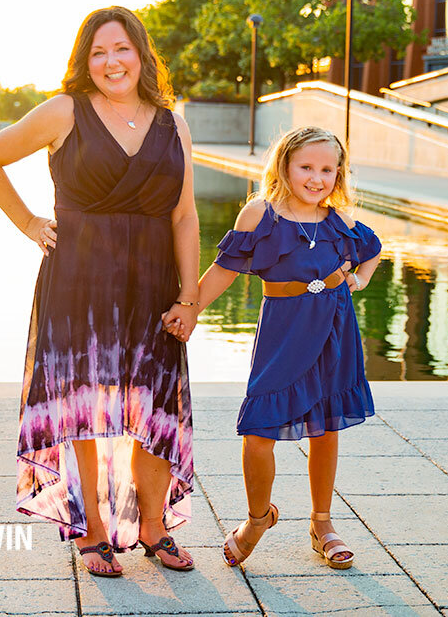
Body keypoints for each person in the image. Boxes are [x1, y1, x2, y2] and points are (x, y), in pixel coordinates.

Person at [0, 6, 200, 578]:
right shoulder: (63, 111)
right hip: (78, 278)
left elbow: (186, 215)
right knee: (81, 405)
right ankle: (92, 530)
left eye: (120, 49)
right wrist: (27, 222)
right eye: (98, 52)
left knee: (153, 406)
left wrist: (190, 298)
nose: (111, 62)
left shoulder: (173, 121)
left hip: (151, 280)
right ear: (84, 61)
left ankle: (154, 527)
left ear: (142, 54)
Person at [164, 126, 382, 569]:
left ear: (339, 174)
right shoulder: (261, 215)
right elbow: (224, 269)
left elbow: (373, 248)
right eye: (306, 167)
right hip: (284, 334)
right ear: (284, 165)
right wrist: (190, 308)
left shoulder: (339, 219)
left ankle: (323, 524)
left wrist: (358, 279)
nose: (316, 178)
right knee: (259, 432)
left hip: (334, 331)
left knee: (326, 428)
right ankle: (257, 519)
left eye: (327, 169)